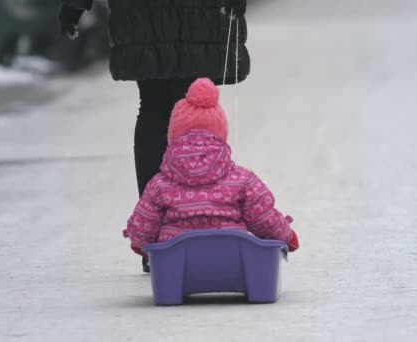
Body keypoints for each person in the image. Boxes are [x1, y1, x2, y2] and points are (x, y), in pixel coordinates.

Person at [59, 0, 250, 272]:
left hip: (142, 11)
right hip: (200, 11)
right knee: (193, 103)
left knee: (153, 106)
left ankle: (158, 238)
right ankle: (200, 230)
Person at [123, 78, 300, 255]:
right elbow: (263, 217)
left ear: (172, 135)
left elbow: (144, 222)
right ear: (221, 134)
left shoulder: (159, 184)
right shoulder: (241, 179)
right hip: (230, 257)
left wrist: (140, 242)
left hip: (177, 261)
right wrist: (286, 236)